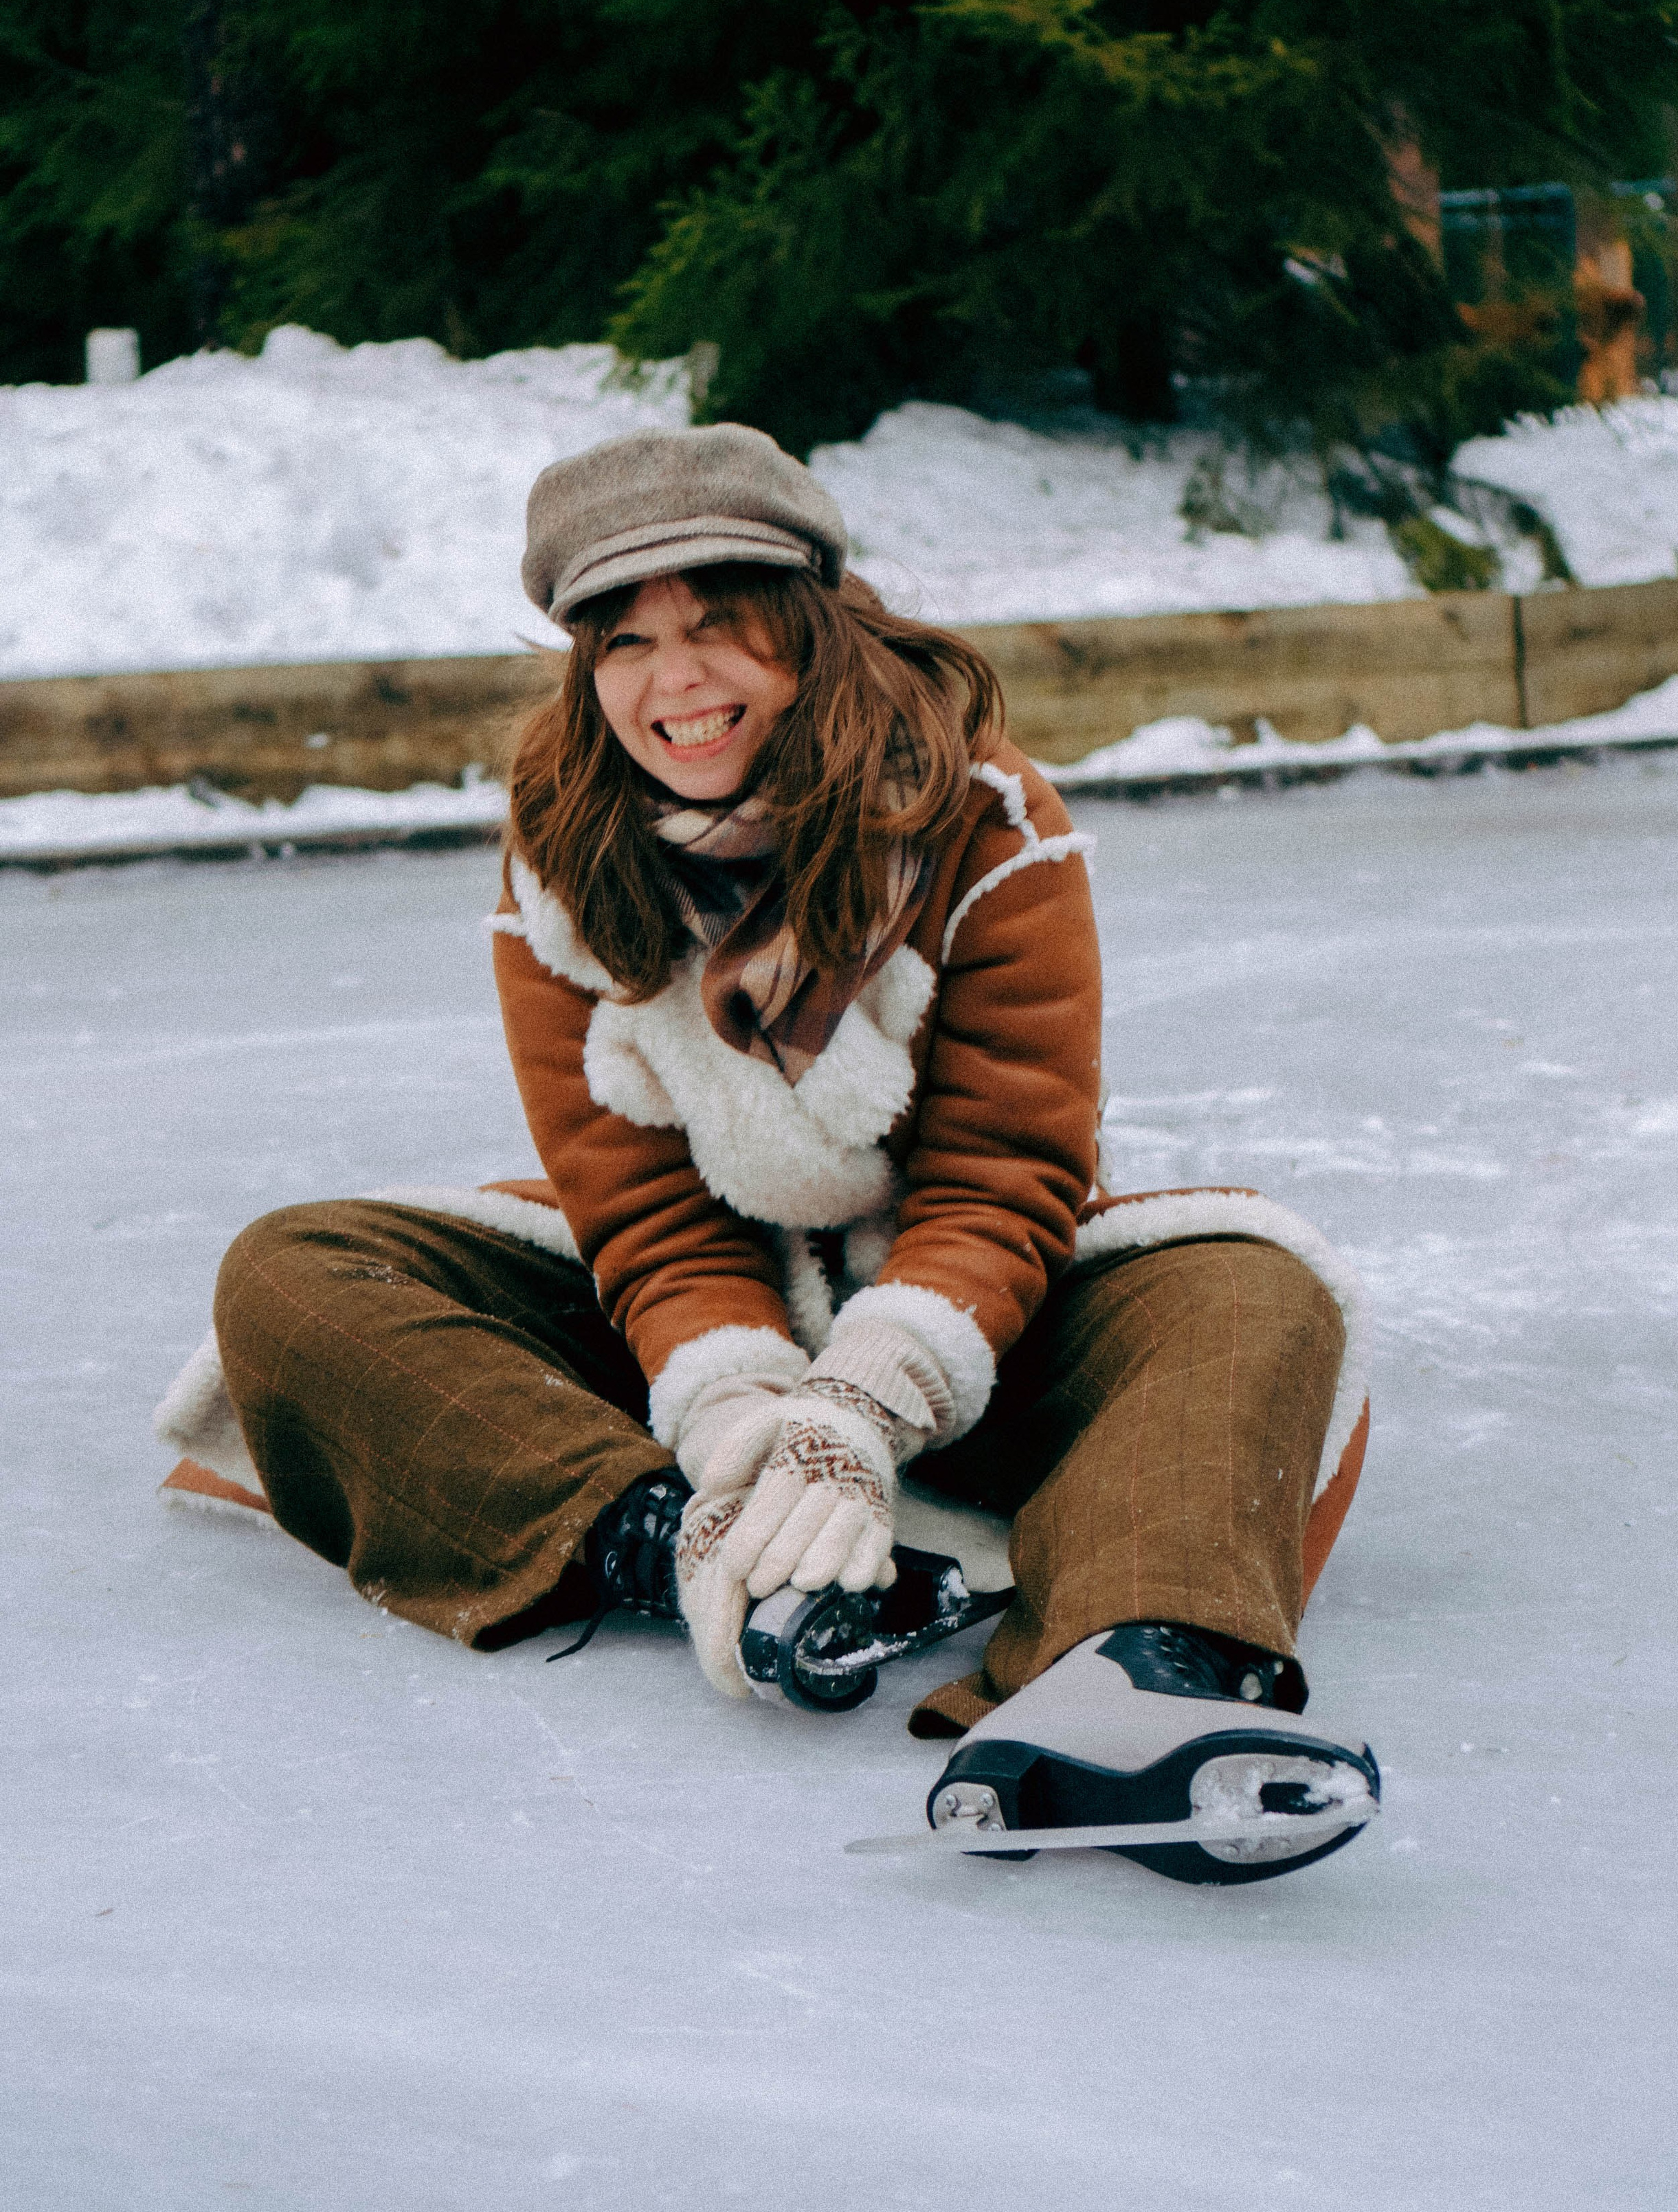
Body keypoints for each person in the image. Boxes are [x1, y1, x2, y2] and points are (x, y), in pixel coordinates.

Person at [179, 422, 1378, 1884]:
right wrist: (747, 1437)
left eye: (717, 624)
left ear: (806, 625)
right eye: (624, 641)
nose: (672, 680)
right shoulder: (559, 852)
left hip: (960, 1313)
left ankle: (1138, 1665)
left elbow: (1003, 1175)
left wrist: (858, 1410)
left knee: (1252, 1289)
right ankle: (680, 1538)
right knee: (295, 1276)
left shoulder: (982, 820)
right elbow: (639, 1213)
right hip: (694, 1322)